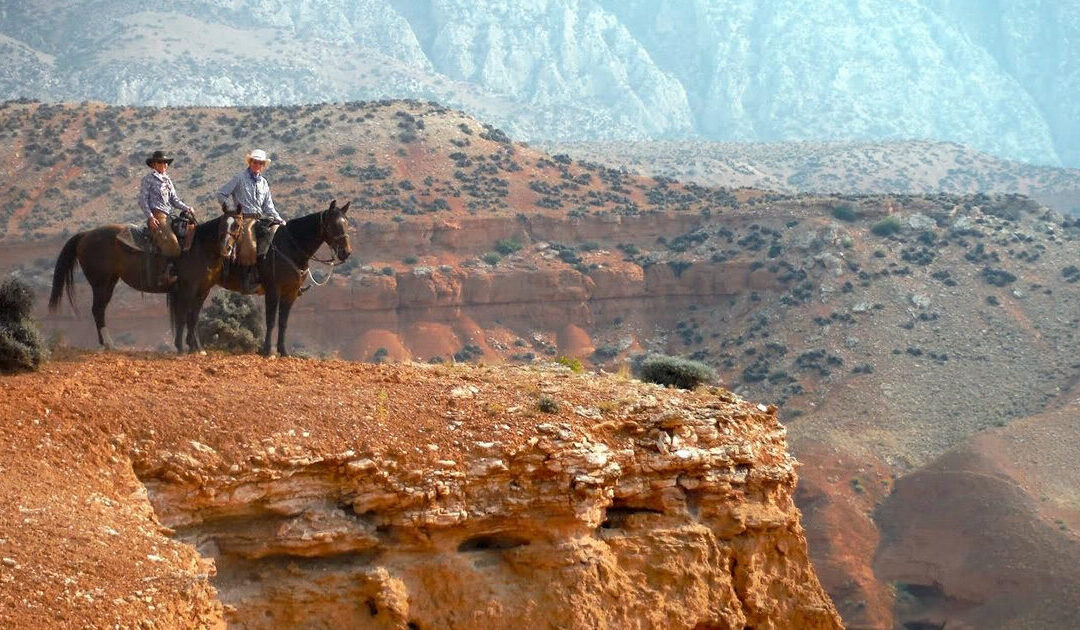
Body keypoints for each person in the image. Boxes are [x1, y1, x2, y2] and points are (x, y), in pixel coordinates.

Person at [216, 149, 285, 291]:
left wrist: (279, 219)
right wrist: (231, 210)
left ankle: (279, 277)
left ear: (263, 165)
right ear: (250, 162)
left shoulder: (264, 183)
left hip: (260, 219)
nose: (257, 164)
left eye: (260, 163)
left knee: (279, 237)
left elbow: (268, 207)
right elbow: (221, 194)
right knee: (249, 242)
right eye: (255, 162)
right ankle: (246, 278)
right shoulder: (239, 178)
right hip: (244, 219)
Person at [138, 150, 193, 286]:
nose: (163, 164)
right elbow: (142, 200)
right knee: (173, 243)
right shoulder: (148, 179)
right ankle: (165, 274)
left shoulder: (168, 180)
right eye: (160, 162)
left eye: (165, 162)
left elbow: (174, 200)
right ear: (153, 164)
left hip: (169, 216)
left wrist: (186, 208)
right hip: (158, 216)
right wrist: (150, 217)